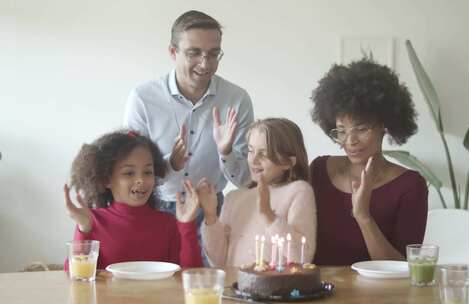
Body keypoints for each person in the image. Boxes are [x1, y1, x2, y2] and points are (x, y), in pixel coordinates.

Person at [123, 10, 254, 224]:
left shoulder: (237, 99)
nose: (205, 64)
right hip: (154, 208)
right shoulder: (143, 98)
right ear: (173, 52)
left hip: (212, 209)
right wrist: (171, 164)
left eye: (213, 54)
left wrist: (226, 152)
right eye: (194, 53)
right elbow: (130, 172)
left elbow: (245, 180)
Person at [309, 58, 428, 266]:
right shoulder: (319, 171)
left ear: (384, 125)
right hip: (319, 292)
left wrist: (363, 216)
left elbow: (402, 269)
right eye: (341, 131)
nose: (351, 141)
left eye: (361, 129)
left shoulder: (410, 186)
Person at [64, 130, 203, 269]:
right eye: (129, 173)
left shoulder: (168, 224)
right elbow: (76, 278)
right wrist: (84, 230)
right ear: (106, 179)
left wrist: (187, 225)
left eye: (148, 172)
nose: (141, 180)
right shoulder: (91, 221)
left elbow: (192, 278)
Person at [190, 118, 316, 267]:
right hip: (235, 288)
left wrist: (268, 214)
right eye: (251, 150)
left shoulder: (298, 191)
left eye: (263, 153)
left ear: (288, 162)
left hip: (278, 288)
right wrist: (210, 216)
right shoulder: (234, 198)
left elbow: (303, 257)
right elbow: (218, 261)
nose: (254, 159)